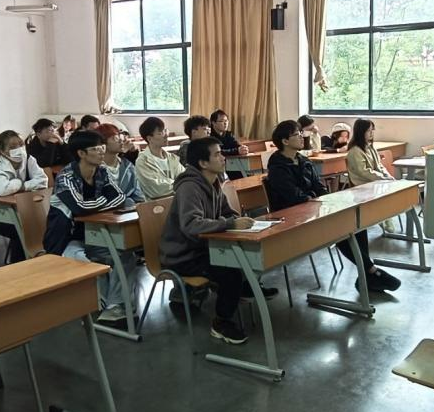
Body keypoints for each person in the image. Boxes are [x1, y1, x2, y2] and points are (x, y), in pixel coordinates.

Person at [160, 137, 276, 345]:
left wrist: (240, 221)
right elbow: (191, 225)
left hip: (204, 247)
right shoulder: (189, 187)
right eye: (217, 154)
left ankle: (243, 288)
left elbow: (226, 212)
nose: (223, 158)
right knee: (230, 271)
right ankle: (221, 322)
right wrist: (230, 223)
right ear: (203, 163)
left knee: (245, 257)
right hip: (183, 255)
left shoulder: (213, 182)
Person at [267, 120, 400, 293]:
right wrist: (315, 201)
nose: (301, 137)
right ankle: (371, 272)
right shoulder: (277, 165)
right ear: (285, 141)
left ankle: (368, 274)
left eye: (300, 133)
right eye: (297, 134)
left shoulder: (302, 160)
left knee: (355, 222)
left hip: (312, 210)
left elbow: (318, 185)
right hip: (292, 217)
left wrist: (327, 198)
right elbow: (293, 195)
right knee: (340, 228)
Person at [43, 131, 137, 323]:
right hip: (66, 240)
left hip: (93, 235)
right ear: (81, 153)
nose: (102, 151)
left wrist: (97, 204)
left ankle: (114, 307)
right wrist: (104, 202)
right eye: (95, 148)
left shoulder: (101, 171)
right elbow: (79, 208)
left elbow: (120, 198)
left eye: (102, 147)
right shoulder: (66, 177)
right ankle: (95, 304)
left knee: (125, 256)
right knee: (86, 263)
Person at [0, 130, 48, 262]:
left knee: (45, 226)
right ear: (2, 151)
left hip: (25, 210)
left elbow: (42, 180)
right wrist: (22, 184)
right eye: (12, 147)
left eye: (21, 144)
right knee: (22, 232)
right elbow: (0, 189)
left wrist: (21, 186)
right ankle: (19, 264)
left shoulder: (28, 159)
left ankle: (41, 261)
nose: (19, 149)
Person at [347, 118, 401, 237]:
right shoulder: (355, 151)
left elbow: (379, 166)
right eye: (368, 131)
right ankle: (384, 217)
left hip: (374, 181)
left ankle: (385, 217)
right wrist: (382, 178)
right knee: (385, 190)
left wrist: (387, 176)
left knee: (392, 187)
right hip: (362, 184)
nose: (371, 133)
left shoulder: (370, 147)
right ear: (361, 132)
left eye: (372, 130)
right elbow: (364, 172)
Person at [135, 116, 184, 200]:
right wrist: (182, 185)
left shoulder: (172, 158)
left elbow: (185, 178)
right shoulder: (142, 161)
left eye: (165, 131)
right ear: (149, 138)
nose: (166, 136)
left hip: (179, 201)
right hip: (156, 205)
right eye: (160, 133)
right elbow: (157, 190)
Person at [97, 123, 145, 207]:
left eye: (120, 137)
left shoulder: (127, 165)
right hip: (107, 210)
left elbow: (138, 194)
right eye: (115, 138)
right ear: (103, 144)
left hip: (131, 208)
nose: (120, 141)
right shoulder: (96, 168)